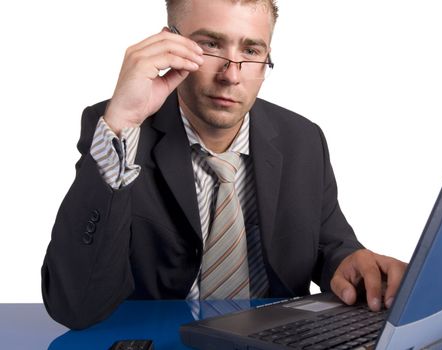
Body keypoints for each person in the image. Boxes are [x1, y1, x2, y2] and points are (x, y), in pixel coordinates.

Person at [42, 0, 407, 330]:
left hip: (276, 340)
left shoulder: (303, 139)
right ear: (170, 45)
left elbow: (329, 244)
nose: (231, 75)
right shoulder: (120, 130)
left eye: (251, 50)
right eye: (210, 45)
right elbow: (74, 306)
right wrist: (121, 124)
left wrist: (351, 263)